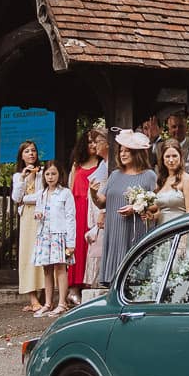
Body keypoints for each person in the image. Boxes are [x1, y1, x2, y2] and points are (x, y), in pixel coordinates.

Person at [95, 131, 155, 282]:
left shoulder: (149, 175)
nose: (123, 154)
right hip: (114, 228)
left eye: (127, 151)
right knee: (113, 279)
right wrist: (92, 192)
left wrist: (135, 208)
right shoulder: (115, 175)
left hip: (134, 229)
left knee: (134, 278)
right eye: (121, 151)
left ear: (137, 153)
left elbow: (156, 204)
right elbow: (101, 201)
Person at [68, 128, 108, 303]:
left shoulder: (102, 164)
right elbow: (70, 189)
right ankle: (73, 288)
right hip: (76, 208)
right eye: (89, 142)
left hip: (93, 208)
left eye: (95, 141)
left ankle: (88, 285)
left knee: (90, 246)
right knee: (76, 246)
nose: (92, 145)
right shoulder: (77, 164)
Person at [29, 163, 74, 319]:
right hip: (44, 234)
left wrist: (71, 243)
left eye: (53, 174)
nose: (50, 177)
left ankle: (62, 303)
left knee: (60, 269)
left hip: (59, 234)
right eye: (47, 174)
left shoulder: (65, 193)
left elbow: (70, 218)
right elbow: (32, 206)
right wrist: (37, 214)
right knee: (46, 269)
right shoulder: (41, 193)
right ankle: (48, 303)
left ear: (59, 175)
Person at [10, 141, 43, 313]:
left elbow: (42, 195)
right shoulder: (18, 176)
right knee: (27, 254)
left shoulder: (43, 173)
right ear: (21, 156)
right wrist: (23, 178)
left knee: (43, 252)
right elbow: (16, 198)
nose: (31, 154)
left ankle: (44, 293)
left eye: (34, 151)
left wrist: (27, 198)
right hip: (26, 217)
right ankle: (32, 297)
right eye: (27, 151)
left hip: (41, 214)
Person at [152, 141, 189, 225]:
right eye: (167, 156)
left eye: (174, 156)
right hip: (161, 230)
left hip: (179, 229)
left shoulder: (187, 179)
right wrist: (152, 216)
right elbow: (161, 211)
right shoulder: (161, 180)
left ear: (181, 156)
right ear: (163, 159)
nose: (171, 160)